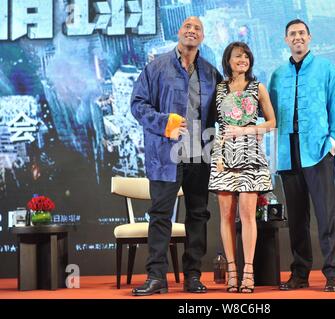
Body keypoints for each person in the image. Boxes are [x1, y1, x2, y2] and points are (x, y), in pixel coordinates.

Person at [130, 17, 222, 296]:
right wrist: (164, 123)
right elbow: (137, 105)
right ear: (179, 33)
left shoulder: (210, 73)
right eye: (187, 27)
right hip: (166, 156)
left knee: (198, 215)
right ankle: (156, 276)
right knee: (160, 216)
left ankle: (193, 276)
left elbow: (221, 112)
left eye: (197, 29)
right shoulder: (156, 68)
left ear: (202, 38)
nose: (192, 31)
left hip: (200, 155)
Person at [269, 19, 335, 292]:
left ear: (309, 38)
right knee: (297, 218)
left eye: (302, 33)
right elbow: (270, 114)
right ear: (286, 40)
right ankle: (300, 273)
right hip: (288, 152)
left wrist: (334, 141)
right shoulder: (277, 75)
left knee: (326, 216)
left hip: (318, 150)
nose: (297, 37)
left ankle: (333, 273)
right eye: (292, 34)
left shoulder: (325, 68)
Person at [209, 42, 276, 293]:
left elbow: (271, 122)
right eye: (238, 56)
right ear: (228, 60)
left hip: (250, 155)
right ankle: (232, 272)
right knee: (226, 216)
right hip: (224, 156)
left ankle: (249, 271)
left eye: (246, 56)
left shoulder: (257, 87)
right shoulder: (219, 89)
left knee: (247, 215)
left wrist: (249, 130)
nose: (243, 59)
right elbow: (215, 123)